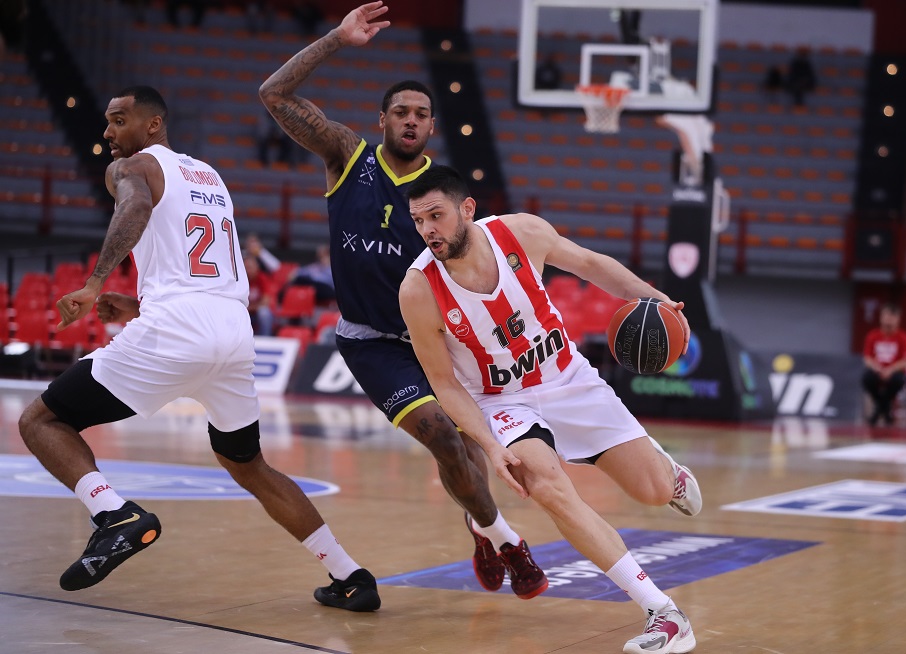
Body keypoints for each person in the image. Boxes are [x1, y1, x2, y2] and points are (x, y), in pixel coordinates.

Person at [16, 86, 381, 611]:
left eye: (119, 120)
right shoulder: (209, 176)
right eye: (108, 121)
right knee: (249, 464)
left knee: (41, 421)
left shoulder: (132, 168)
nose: (108, 132)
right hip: (233, 331)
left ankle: (113, 514)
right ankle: (351, 575)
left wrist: (96, 282)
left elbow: (136, 207)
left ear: (153, 124)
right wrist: (138, 304)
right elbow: (200, 272)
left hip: (177, 331)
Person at [258, 1, 547, 599]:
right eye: (400, 112)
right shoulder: (348, 157)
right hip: (373, 342)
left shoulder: (442, 194)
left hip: (437, 337)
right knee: (443, 436)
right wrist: (336, 40)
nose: (410, 121)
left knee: (467, 451)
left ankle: (479, 526)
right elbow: (273, 95)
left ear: (432, 128)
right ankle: (507, 540)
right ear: (382, 119)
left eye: (420, 115)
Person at [399, 165, 702, 654]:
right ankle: (664, 612)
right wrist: (490, 445)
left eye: (436, 215)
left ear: (467, 209)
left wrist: (655, 299)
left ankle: (667, 472)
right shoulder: (418, 290)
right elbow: (443, 383)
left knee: (652, 491)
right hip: (501, 402)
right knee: (548, 487)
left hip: (568, 378)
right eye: (418, 220)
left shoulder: (521, 232)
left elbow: (591, 264)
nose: (428, 229)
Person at [861, 302, 906, 426]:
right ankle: (885, 408)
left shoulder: (904, 337)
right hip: (877, 370)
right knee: (867, 378)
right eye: (887, 316)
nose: (889, 320)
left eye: (892, 317)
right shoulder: (873, 335)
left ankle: (878, 410)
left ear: (898, 319)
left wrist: (890, 370)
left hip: (895, 372)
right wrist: (878, 368)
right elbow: (867, 358)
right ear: (881, 317)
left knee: (898, 380)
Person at [244, 254, 276, 335]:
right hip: (247, 311)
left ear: (256, 267)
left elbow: (265, 301)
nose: (248, 270)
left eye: (250, 267)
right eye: (245, 268)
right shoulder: (241, 280)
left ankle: (265, 338)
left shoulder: (262, 278)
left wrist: (249, 308)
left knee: (263, 312)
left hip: (258, 311)